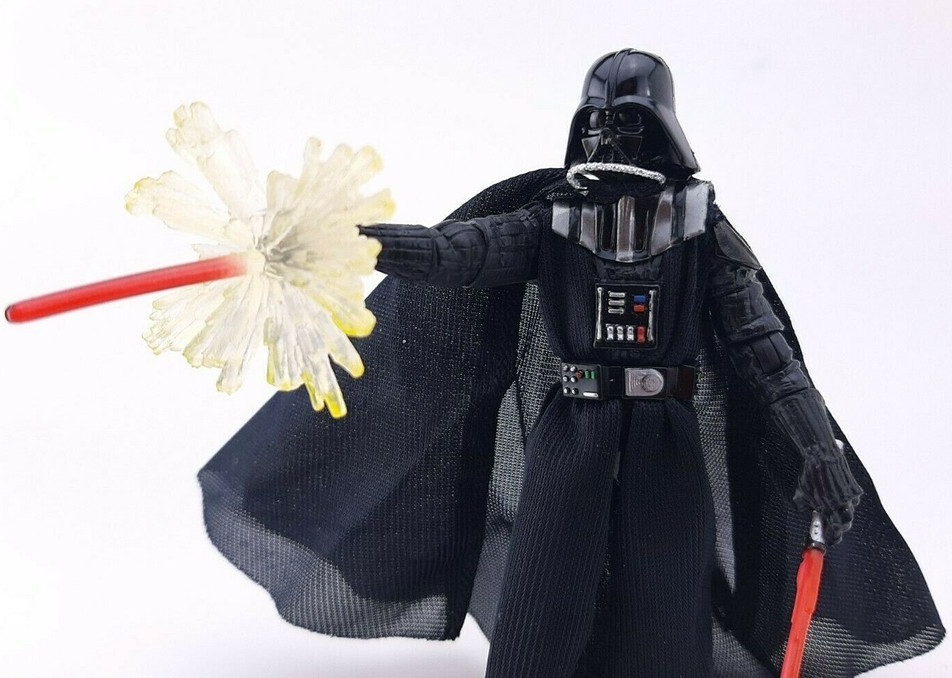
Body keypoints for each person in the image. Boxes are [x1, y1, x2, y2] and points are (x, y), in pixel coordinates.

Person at [199, 50, 943, 677]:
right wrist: (347, 241)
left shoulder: (702, 233)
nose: (608, 138)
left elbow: (767, 357)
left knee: (664, 601)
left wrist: (818, 448)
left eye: (628, 123)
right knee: (545, 595)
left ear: (662, 131)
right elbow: (453, 253)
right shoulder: (549, 223)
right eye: (596, 124)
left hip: (664, 439)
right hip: (574, 429)